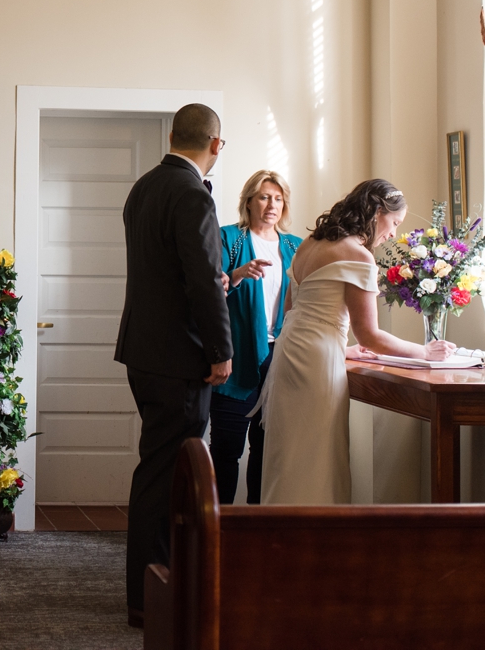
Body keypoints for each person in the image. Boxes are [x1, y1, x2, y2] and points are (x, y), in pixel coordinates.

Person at [258, 179, 456, 505]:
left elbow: (294, 310)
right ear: (377, 212)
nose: (393, 233)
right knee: (318, 455)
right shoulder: (358, 256)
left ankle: (280, 538)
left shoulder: (310, 244)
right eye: (394, 223)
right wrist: (424, 351)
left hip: (291, 354)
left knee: (289, 452)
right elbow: (370, 336)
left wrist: (340, 346)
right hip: (318, 365)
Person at [114, 103, 231, 629]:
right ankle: (150, 598)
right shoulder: (191, 192)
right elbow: (202, 280)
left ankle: (149, 592)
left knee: (157, 470)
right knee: (165, 476)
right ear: (215, 145)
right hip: (180, 356)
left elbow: (167, 272)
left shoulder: (143, 188)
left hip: (145, 350)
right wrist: (220, 350)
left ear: (171, 135)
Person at [210, 170, 301, 505]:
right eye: (264, 197)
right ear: (248, 202)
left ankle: (255, 528)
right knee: (226, 451)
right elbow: (210, 292)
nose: (271, 205)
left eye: (278, 199)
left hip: (282, 360)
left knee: (267, 451)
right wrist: (237, 274)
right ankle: (217, 529)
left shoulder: (295, 246)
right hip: (238, 359)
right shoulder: (229, 238)